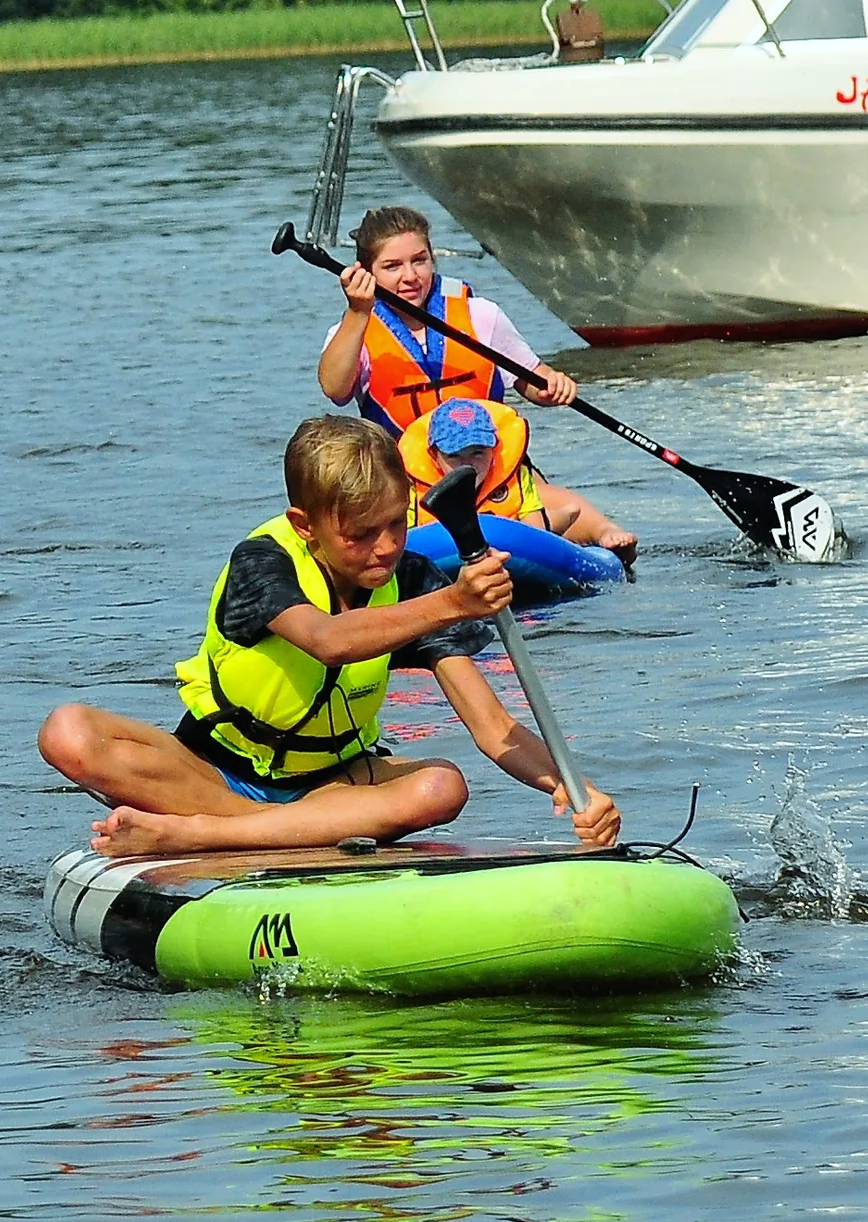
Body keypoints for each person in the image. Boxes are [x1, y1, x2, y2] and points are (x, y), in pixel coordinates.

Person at [38, 414, 621, 857]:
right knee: (68, 732)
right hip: (209, 769)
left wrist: (575, 786)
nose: (387, 547)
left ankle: (201, 836)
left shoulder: (414, 580)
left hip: (331, 786)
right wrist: (455, 602)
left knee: (441, 788)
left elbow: (494, 730)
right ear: (305, 526)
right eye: (362, 535)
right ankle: (226, 828)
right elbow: (328, 640)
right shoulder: (263, 562)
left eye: (397, 524)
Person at [317, 205, 578, 435]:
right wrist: (358, 312)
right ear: (365, 272)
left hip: (490, 468)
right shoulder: (352, 331)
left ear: (432, 259)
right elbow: (335, 390)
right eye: (392, 266)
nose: (410, 276)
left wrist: (551, 387)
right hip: (404, 478)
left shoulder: (481, 315)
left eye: (419, 261)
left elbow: (531, 379)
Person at [400, 397, 636, 564]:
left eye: (478, 453)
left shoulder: (516, 476)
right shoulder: (412, 490)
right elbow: (407, 542)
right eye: (454, 455)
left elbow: (533, 534)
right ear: (433, 455)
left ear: (494, 449)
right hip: (445, 551)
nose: (467, 464)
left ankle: (570, 518)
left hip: (511, 537)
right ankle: (566, 516)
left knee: (552, 523)